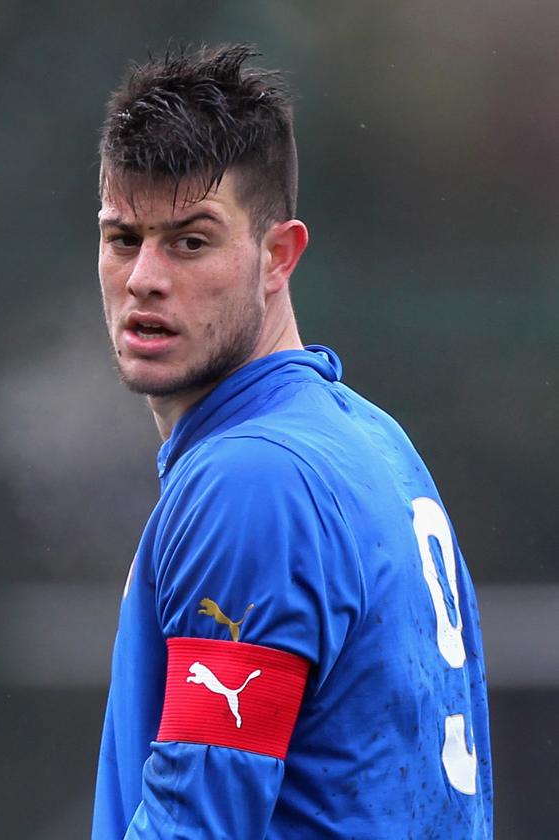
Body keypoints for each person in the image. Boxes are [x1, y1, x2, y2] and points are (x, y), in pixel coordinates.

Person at [90, 44, 492, 838]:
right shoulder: (371, 440)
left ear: (279, 255)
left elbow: (199, 823)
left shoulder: (254, 479)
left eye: (190, 240)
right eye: (123, 236)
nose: (144, 277)